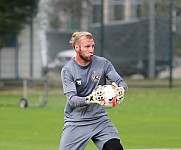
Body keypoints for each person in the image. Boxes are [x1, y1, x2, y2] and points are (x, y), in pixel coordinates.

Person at [59, 31, 128, 150]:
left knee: (115, 148)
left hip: (99, 119)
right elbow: (72, 100)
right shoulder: (68, 70)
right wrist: (92, 98)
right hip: (77, 121)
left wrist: (120, 89)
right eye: (87, 46)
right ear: (77, 47)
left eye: (93, 46)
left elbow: (121, 82)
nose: (91, 50)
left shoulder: (103, 63)